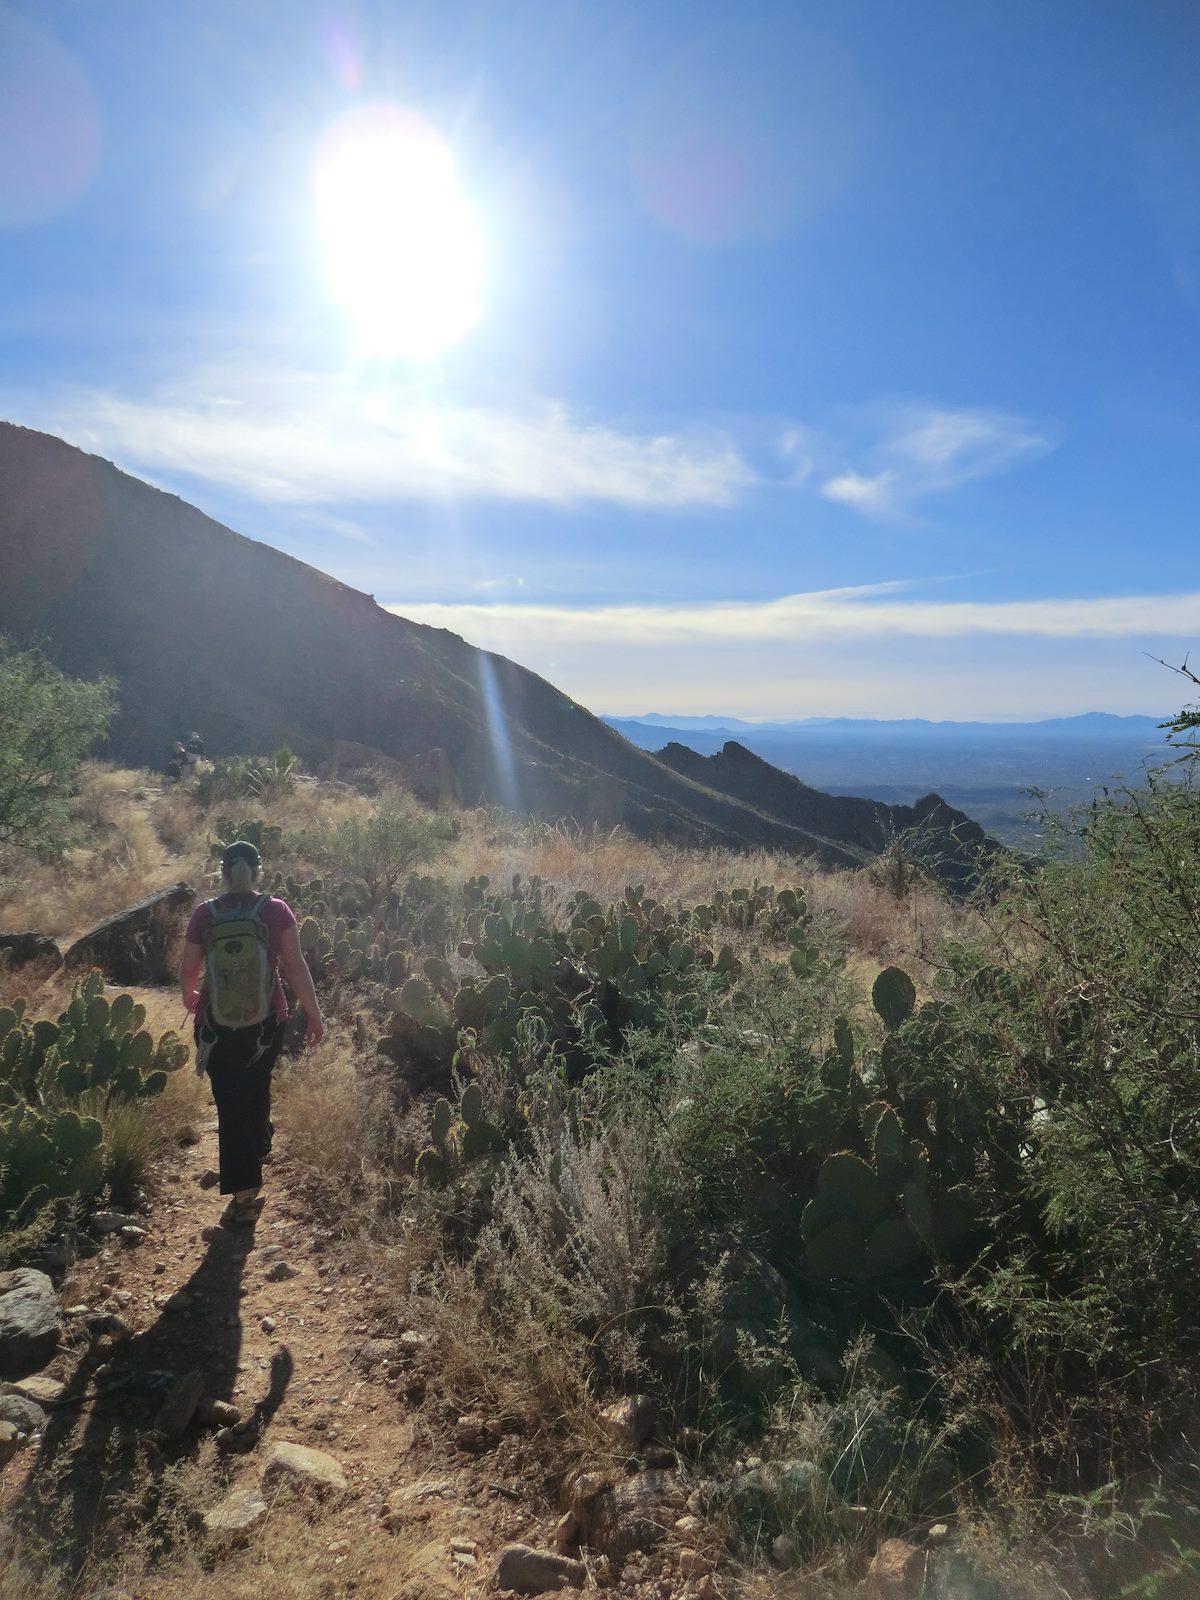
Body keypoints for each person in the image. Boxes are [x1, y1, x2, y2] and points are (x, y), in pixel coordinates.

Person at [179, 840, 324, 1224]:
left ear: (223, 872)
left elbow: (188, 968)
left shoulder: (205, 914)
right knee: (256, 1091)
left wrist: (190, 996)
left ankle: (243, 1193)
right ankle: (257, 1147)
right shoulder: (275, 911)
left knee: (229, 1105)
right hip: (265, 1023)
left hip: (215, 1025)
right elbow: (294, 966)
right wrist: (313, 1014)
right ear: (258, 870)